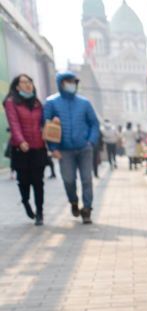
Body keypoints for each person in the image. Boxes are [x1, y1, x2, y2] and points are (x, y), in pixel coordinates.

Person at [43, 70, 99, 224]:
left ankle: (87, 209)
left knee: (87, 179)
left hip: (84, 148)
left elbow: (94, 123)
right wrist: (53, 148)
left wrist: (91, 141)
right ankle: (73, 201)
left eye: (74, 82)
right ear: (61, 84)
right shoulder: (51, 103)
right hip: (64, 150)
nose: (72, 85)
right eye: (68, 81)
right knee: (68, 180)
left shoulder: (84, 103)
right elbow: (46, 127)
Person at [3, 74, 47, 225]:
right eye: (25, 82)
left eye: (30, 82)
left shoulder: (37, 103)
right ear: (17, 86)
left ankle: (40, 213)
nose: (28, 85)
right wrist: (21, 141)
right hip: (21, 149)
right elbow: (13, 123)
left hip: (38, 148)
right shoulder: (11, 102)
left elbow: (43, 122)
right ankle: (26, 203)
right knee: (24, 181)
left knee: (38, 182)